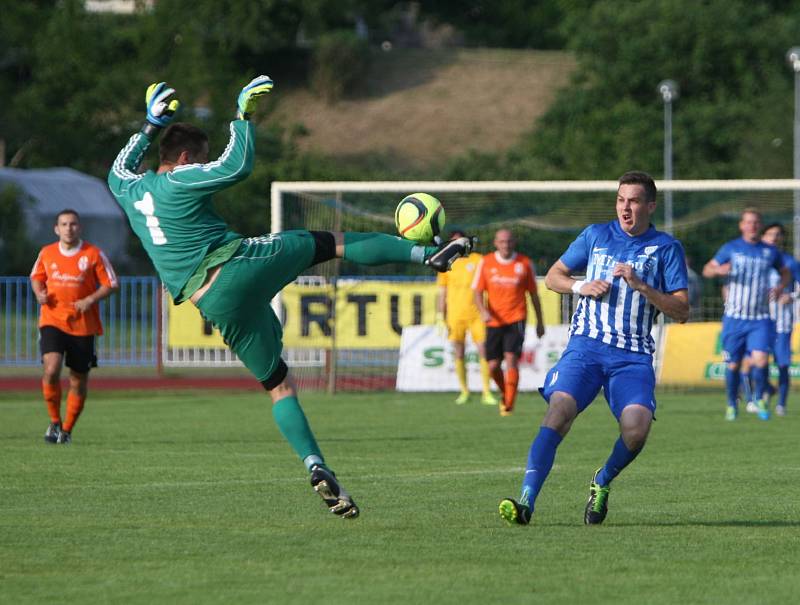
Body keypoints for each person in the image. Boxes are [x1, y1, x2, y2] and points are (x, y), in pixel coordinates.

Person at [107, 77, 472, 519]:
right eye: (197, 159)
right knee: (328, 242)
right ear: (185, 158)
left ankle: (315, 464)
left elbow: (117, 168)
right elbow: (235, 166)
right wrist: (242, 119)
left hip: (211, 302)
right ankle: (429, 255)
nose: (199, 167)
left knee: (279, 384)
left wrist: (148, 124)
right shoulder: (181, 178)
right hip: (234, 265)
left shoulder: (127, 189)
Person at [498, 171, 689, 527]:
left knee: (636, 430)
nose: (625, 208)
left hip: (632, 357)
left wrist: (642, 286)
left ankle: (602, 481)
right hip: (586, 348)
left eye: (633, 201)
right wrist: (580, 285)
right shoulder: (595, 235)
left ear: (650, 205)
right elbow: (554, 275)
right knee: (559, 412)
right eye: (620, 200)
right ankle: (526, 500)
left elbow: (681, 311)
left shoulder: (666, 248)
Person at [29, 209, 118, 445]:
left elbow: (112, 283)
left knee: (78, 380)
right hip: (52, 319)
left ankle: (67, 430)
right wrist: (39, 293)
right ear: (56, 229)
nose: (69, 228)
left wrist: (90, 299)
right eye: (64, 224)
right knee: (51, 368)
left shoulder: (93, 254)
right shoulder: (47, 253)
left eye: (73, 224)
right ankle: (54, 421)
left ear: (80, 228)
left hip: (83, 326)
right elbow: (36, 277)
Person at [702, 209, 790, 421]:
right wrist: (718, 271)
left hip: (760, 318)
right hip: (734, 318)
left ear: (760, 226)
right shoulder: (731, 248)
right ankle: (732, 403)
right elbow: (707, 269)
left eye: (756, 222)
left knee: (760, 360)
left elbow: (786, 271)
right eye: (749, 222)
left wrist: (780, 287)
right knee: (732, 365)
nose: (752, 226)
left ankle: (759, 397)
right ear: (742, 225)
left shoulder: (769, 251)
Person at [472, 228, 544, 415]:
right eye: (502, 242)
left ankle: (509, 404)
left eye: (509, 241)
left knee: (511, 359)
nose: (506, 245)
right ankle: (506, 392)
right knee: (493, 366)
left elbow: (534, 295)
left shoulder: (524, 263)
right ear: (496, 243)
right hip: (493, 321)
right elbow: (477, 292)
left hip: (516, 318)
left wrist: (540, 322)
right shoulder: (486, 262)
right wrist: (483, 311)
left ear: (514, 242)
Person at [435, 230, 497, 405]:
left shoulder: (478, 260)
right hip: (455, 316)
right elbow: (442, 292)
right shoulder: (445, 263)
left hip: (477, 315)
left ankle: (486, 392)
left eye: (459, 243)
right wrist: (440, 315)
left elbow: (489, 285)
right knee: (459, 352)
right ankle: (464, 391)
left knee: (484, 350)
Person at [748, 223, 800, 416]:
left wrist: (792, 296)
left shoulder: (790, 262)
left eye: (777, 235)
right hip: (759, 319)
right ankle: (761, 395)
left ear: (782, 239)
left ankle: (781, 405)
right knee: (757, 361)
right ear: (763, 237)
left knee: (783, 363)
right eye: (770, 234)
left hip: (782, 321)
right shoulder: (757, 260)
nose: (774, 238)